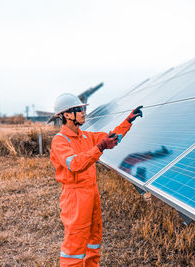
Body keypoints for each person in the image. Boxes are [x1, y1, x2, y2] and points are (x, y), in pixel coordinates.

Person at [50, 93, 143, 267]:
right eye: (80, 110)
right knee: (75, 247)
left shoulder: (86, 137)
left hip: (92, 195)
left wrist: (128, 121)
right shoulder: (60, 141)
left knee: (94, 240)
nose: (84, 113)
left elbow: (113, 138)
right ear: (67, 115)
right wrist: (100, 147)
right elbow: (76, 164)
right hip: (75, 198)